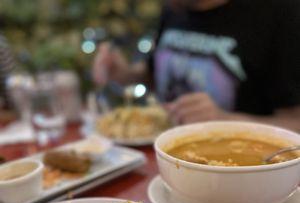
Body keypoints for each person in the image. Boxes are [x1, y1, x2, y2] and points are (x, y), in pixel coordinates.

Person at [92, 0, 300, 131]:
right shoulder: (174, 8)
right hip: (164, 158)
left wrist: (224, 119)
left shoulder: (280, 11)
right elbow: (156, 76)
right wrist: (123, 73)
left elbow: (295, 124)